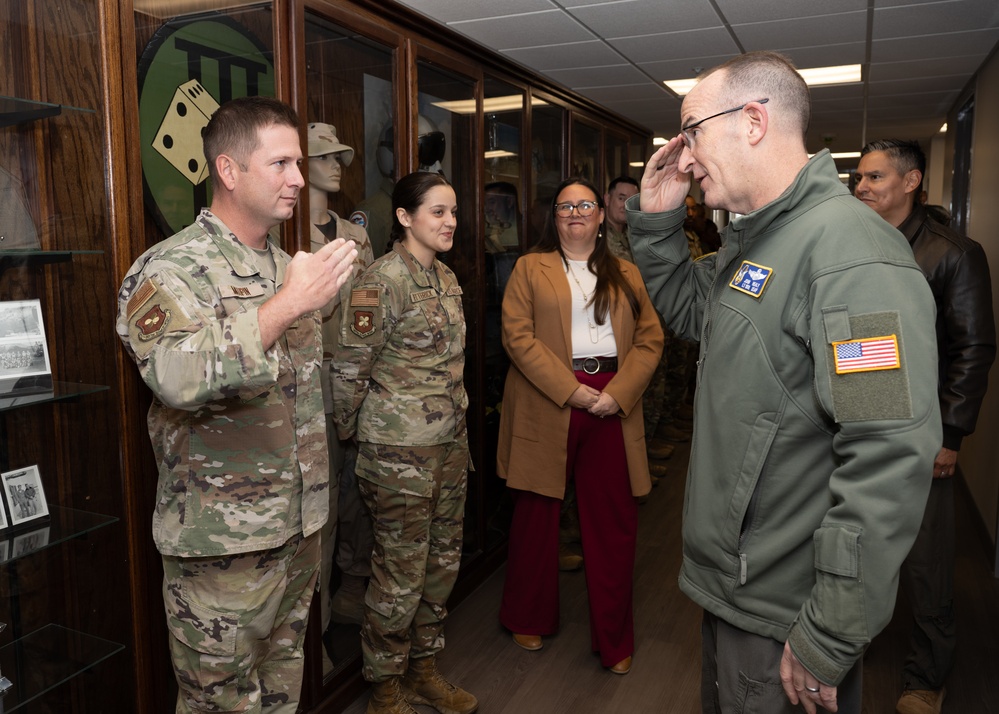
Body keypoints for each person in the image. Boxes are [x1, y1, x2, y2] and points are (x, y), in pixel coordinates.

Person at [627, 51, 941, 714]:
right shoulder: (761, 240)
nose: (683, 154)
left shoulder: (847, 254)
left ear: (750, 121)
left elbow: (886, 452)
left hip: (785, 606)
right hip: (738, 586)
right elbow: (693, 313)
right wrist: (655, 221)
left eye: (691, 130)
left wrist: (829, 629)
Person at [116, 96, 358, 712]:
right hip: (221, 549)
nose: (299, 179)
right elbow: (173, 375)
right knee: (219, 703)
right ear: (228, 171)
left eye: (299, 163)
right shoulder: (170, 270)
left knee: (280, 692)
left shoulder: (287, 266)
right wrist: (286, 306)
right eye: (280, 163)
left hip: (298, 530)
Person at [497, 177, 664, 675]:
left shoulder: (627, 273)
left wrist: (618, 393)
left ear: (599, 216)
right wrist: (570, 390)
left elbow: (651, 340)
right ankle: (527, 614)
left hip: (612, 400)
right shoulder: (530, 268)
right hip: (548, 397)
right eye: (565, 205)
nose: (575, 212)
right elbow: (517, 336)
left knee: (613, 523)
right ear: (555, 217)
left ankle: (614, 638)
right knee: (537, 515)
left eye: (585, 204)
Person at [855, 138, 996, 714]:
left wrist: (949, 435)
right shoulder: (854, 244)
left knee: (927, 561)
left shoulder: (953, 253)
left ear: (911, 182)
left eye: (873, 177)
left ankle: (925, 675)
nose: (861, 187)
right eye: (858, 179)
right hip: (859, 421)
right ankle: (846, 641)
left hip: (921, 431)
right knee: (856, 546)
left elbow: (974, 348)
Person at [331, 171, 477, 714]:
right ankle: (385, 686)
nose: (450, 222)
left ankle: (422, 671)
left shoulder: (444, 278)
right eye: (438, 212)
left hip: (448, 448)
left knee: (440, 565)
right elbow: (349, 369)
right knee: (399, 574)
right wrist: (357, 438)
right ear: (404, 217)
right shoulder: (382, 281)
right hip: (398, 457)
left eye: (454, 212)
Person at [305, 122, 376, 645]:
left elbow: (371, 304)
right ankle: (319, 629)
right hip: (313, 383)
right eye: (324, 156)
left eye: (340, 156)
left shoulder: (354, 234)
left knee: (359, 496)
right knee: (323, 508)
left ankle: (351, 588)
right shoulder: (288, 235)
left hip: (360, 377)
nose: (336, 165)